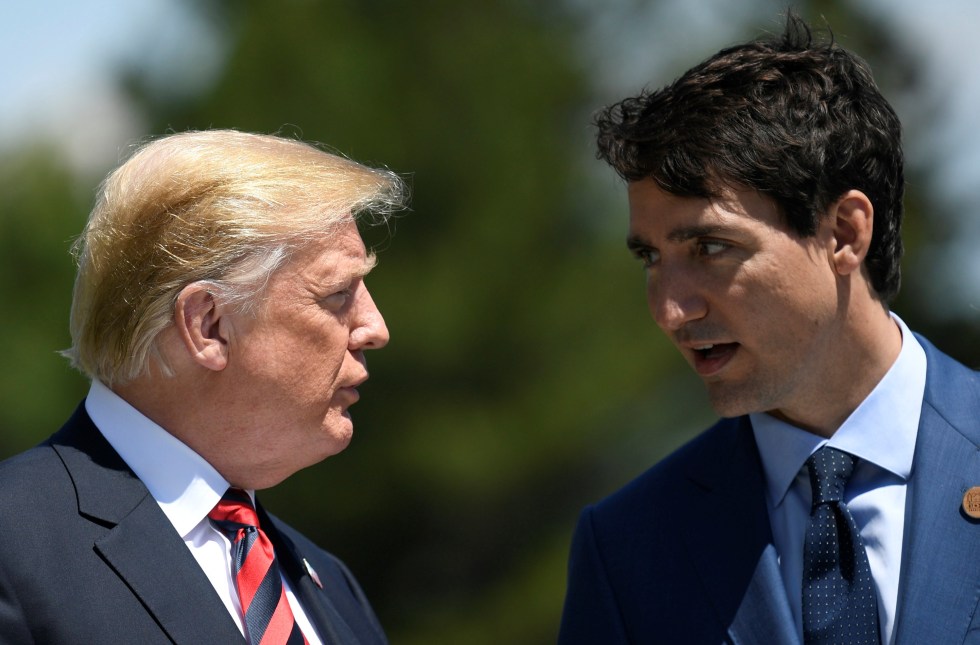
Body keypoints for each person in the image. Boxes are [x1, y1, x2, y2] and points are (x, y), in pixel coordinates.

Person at [559, 14, 980, 645]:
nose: (671, 310)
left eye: (710, 247)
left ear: (844, 232)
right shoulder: (627, 549)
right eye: (649, 257)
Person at [0, 129, 407, 644]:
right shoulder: (15, 548)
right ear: (208, 325)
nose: (375, 327)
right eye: (337, 293)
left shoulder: (331, 585)